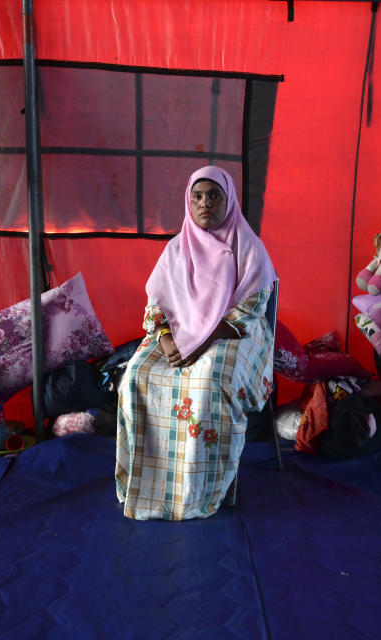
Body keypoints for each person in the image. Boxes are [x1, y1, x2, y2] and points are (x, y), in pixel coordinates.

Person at [115, 165, 277, 520]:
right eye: (198, 196)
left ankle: (200, 490)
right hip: (179, 332)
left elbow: (250, 309)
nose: (206, 204)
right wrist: (167, 338)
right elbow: (156, 305)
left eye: (214, 195)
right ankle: (149, 486)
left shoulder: (247, 247)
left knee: (209, 383)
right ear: (188, 201)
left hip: (235, 332)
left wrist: (202, 342)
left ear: (229, 199)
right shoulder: (176, 249)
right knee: (136, 377)